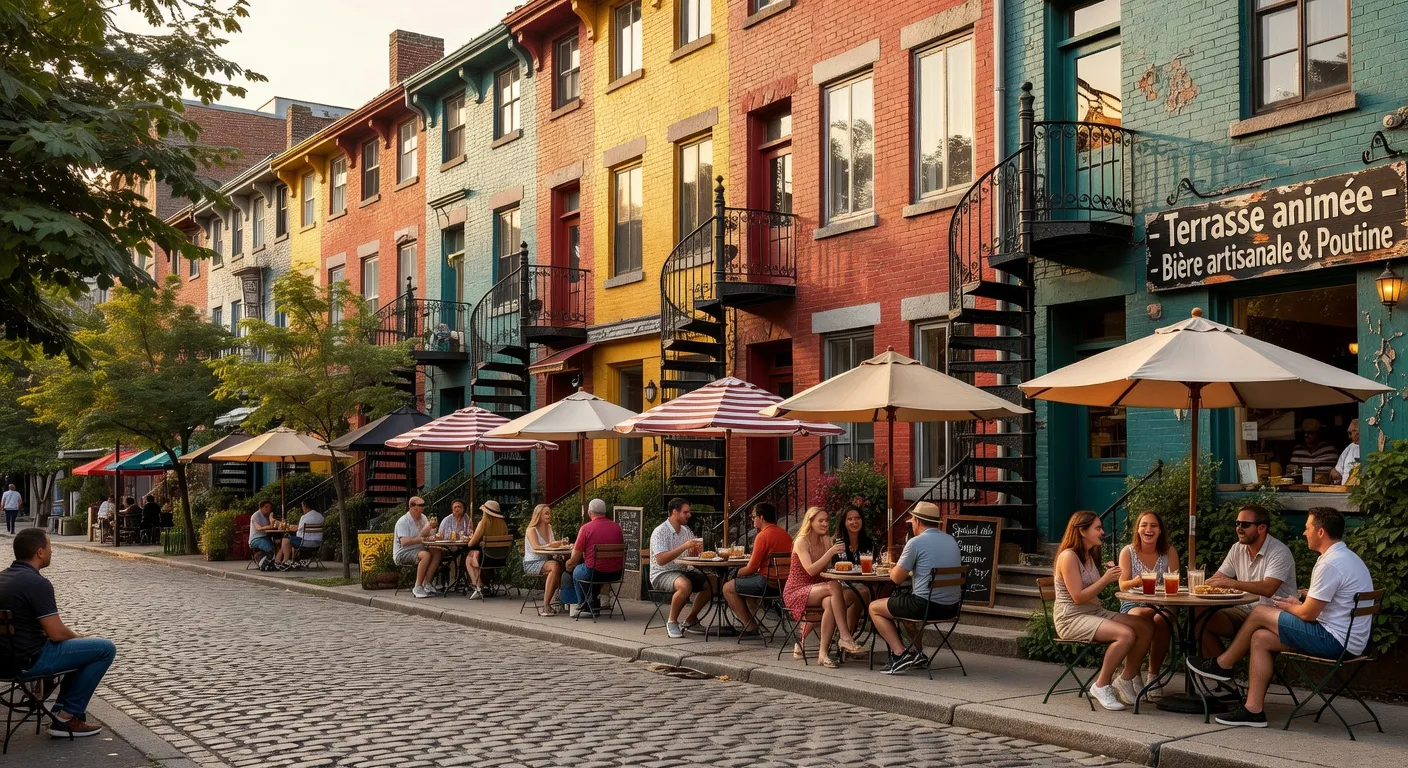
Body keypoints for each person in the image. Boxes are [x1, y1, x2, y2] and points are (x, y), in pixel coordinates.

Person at [1188, 508, 1374, 728]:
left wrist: (1294, 608)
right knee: (1260, 638)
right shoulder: (1346, 558)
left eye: (1308, 528)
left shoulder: (1330, 564)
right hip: (1349, 640)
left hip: (1333, 641)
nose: (1304, 533)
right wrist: (1297, 604)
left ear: (1321, 532)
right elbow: (1317, 608)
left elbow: (1308, 614)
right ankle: (1253, 711)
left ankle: (1223, 663)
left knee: (1259, 612)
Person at [0, 528, 116, 738]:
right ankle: (66, 717)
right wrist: (79, 637)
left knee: (80, 652)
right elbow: (56, 633)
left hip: (2, 662)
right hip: (28, 661)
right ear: (40, 552)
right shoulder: (37, 583)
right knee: (104, 649)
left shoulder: (3, 579)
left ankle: (61, 712)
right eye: (50, 545)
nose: (52, 550)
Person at [1051, 510, 1155, 711]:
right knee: (1125, 635)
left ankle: (1125, 679)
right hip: (1071, 617)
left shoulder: (1090, 555)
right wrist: (1106, 579)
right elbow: (1078, 597)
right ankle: (1101, 685)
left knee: (1145, 626)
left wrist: (1110, 576)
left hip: (1093, 612)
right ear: (1082, 531)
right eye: (1097, 528)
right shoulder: (1068, 557)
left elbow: (1091, 593)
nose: (1102, 532)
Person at [869, 502, 964, 675]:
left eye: (912, 521)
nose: (911, 524)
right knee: (905, 608)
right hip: (951, 608)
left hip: (925, 606)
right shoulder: (951, 540)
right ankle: (918, 654)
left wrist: (894, 567)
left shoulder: (915, 543)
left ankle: (899, 654)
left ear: (917, 522)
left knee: (874, 607)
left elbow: (896, 578)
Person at [1199, 504, 1298, 658]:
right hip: (1243, 611)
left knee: (1257, 619)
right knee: (1199, 618)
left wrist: (1231, 584)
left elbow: (1268, 588)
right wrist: (1204, 585)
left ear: (1262, 528)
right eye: (1237, 523)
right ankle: (1220, 671)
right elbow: (1218, 579)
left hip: (1273, 617)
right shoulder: (1237, 548)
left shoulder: (1279, 552)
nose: (1239, 528)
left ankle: (1223, 665)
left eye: (1245, 525)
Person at [783, 506, 862, 667]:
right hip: (797, 590)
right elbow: (811, 570)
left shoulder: (826, 540)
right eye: (821, 521)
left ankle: (823, 654)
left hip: (818, 588)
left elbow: (826, 569)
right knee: (833, 587)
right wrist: (830, 553)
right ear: (810, 522)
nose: (825, 523)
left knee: (830, 602)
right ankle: (845, 636)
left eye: (827, 520)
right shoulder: (801, 541)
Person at [1115, 510, 1180, 699]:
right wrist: (1137, 581)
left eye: (1153, 525)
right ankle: (1132, 673)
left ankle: (1154, 674)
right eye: (1144, 525)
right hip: (1133, 603)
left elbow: (1175, 580)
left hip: (1162, 604)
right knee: (1141, 615)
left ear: (1160, 531)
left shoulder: (1169, 551)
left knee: (1163, 619)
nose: (1148, 529)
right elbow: (1122, 585)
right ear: (1137, 530)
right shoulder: (1128, 552)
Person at [722, 502, 791, 636]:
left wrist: (735, 573)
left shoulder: (763, 535)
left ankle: (751, 626)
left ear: (761, 517)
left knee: (728, 587)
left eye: (753, 516)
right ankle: (752, 621)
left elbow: (752, 568)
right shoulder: (785, 534)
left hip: (767, 583)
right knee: (743, 584)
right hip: (783, 584)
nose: (752, 519)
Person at [649, 497, 711, 638]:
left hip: (683, 570)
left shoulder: (685, 530)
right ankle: (672, 621)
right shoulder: (660, 531)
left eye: (689, 512)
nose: (689, 515)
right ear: (674, 512)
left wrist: (697, 550)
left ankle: (690, 619)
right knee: (685, 585)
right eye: (685, 512)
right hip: (662, 573)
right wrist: (684, 546)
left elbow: (691, 553)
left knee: (712, 582)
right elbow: (661, 560)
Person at [561, 498, 625, 618]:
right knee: (589, 568)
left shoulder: (586, 528)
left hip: (595, 573)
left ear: (590, 512)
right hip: (616, 573)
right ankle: (593, 604)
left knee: (577, 571)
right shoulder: (617, 527)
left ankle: (584, 606)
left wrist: (567, 564)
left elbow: (574, 559)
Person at [834, 505, 877, 636]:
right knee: (863, 593)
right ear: (844, 522)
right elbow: (834, 568)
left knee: (873, 591)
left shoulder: (868, 543)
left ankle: (846, 637)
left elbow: (874, 565)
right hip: (842, 587)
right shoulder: (837, 544)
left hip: (863, 583)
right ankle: (847, 636)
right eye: (850, 519)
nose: (854, 522)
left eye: (857, 518)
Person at [522, 503, 567, 615]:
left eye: (550, 513)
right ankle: (546, 606)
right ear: (539, 515)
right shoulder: (531, 530)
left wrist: (560, 545)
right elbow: (536, 547)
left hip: (546, 561)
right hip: (531, 563)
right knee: (555, 566)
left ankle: (558, 600)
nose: (549, 515)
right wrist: (551, 545)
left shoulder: (549, 528)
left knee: (563, 565)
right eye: (546, 513)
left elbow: (553, 544)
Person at [393, 496, 442, 599]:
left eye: (423, 505)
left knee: (437, 552)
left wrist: (434, 534)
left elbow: (426, 534)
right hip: (403, 552)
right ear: (411, 506)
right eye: (420, 505)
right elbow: (404, 542)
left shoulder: (423, 518)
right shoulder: (403, 521)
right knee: (426, 555)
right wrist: (421, 540)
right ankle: (417, 586)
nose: (423, 507)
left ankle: (427, 584)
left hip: (419, 548)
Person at [464, 500, 509, 600]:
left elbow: (470, 543)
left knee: (470, 557)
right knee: (474, 554)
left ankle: (478, 586)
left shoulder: (483, 524)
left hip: (486, 559)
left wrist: (472, 536)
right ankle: (480, 585)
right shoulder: (503, 525)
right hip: (501, 559)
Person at [278, 500, 323, 567]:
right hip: (317, 543)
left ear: (305, 506)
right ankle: (282, 560)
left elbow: (297, 529)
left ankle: (285, 561)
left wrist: (289, 527)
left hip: (305, 542)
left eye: (302, 506)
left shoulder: (304, 517)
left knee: (285, 539)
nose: (302, 508)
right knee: (291, 539)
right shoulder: (320, 516)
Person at [249, 501, 278, 569]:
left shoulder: (267, 516)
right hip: (256, 538)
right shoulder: (255, 515)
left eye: (269, 507)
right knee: (270, 549)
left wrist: (271, 517)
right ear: (261, 508)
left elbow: (275, 523)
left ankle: (272, 563)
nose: (268, 509)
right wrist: (269, 526)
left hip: (265, 537)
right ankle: (265, 564)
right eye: (266, 507)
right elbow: (258, 528)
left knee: (278, 544)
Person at [1332, 418, 1360, 483]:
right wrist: (1334, 472)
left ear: (1358, 432)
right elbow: (1338, 471)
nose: (1349, 437)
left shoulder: (1369, 447)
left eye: (1350, 433)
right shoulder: (1350, 447)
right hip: (1346, 489)